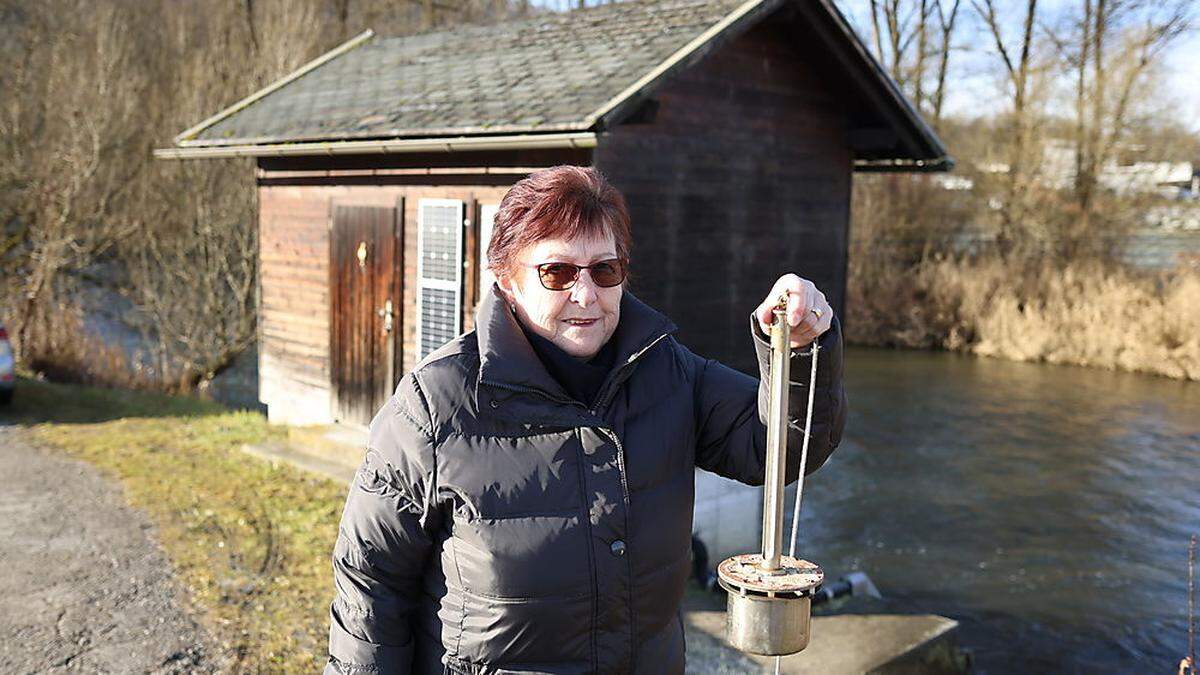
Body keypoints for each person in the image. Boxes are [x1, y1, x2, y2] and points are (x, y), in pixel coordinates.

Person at [324, 166, 847, 674]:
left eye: (604, 269)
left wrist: (799, 352)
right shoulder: (436, 403)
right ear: (507, 279)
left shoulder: (668, 370)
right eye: (556, 272)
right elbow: (370, 580)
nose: (585, 294)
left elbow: (782, 445)